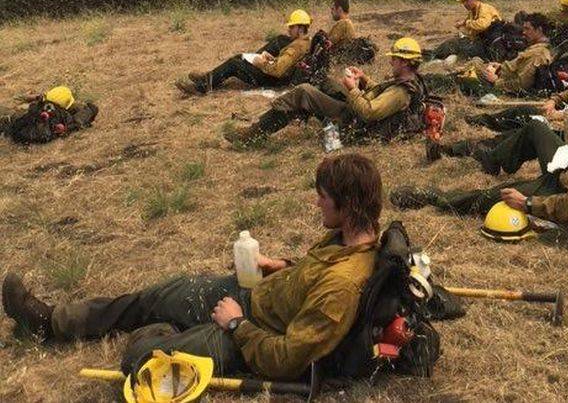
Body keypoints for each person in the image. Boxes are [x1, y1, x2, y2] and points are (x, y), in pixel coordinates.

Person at [2, 153, 380, 381]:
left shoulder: (341, 289)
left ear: (347, 207)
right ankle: (52, 321)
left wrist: (236, 324)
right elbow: (314, 273)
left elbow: (287, 358)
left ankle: (172, 331)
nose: (317, 204)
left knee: (138, 362)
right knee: (159, 294)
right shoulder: (345, 239)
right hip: (250, 298)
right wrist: (281, 266)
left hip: (250, 334)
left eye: (324, 198)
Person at [392, 78, 568, 226]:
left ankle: (432, 198)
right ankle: (485, 156)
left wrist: (527, 204)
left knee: (487, 197)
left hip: (558, 185)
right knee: (536, 128)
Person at [429, 35, 568, 169]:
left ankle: (470, 151)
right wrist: (554, 99)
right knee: (520, 117)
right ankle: (467, 139)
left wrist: (561, 114)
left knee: (519, 131)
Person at [224, 37, 427, 147]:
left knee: (304, 92)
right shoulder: (407, 80)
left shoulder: (402, 92)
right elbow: (380, 94)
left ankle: (254, 134)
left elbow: (369, 112)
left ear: (405, 62)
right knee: (325, 82)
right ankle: (291, 113)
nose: (391, 61)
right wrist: (364, 79)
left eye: (395, 59)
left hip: (357, 125)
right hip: (358, 114)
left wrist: (353, 89)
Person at [176, 10, 312, 95]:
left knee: (234, 63)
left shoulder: (296, 47)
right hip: (281, 75)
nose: (289, 30)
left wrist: (261, 63)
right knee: (239, 59)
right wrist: (272, 59)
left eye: (292, 27)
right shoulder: (304, 42)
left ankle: (202, 87)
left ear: (300, 28)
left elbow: (277, 71)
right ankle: (208, 78)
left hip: (274, 80)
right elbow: (284, 64)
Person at [476, 13, 552, 95]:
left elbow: (522, 83)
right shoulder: (536, 48)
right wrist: (500, 67)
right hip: (501, 73)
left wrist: (496, 81)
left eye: (527, 29)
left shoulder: (538, 53)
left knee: (474, 65)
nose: (524, 32)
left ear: (539, 30)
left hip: (501, 81)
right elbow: (518, 66)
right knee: (475, 62)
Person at [0, 85, 98, 146]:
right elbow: (92, 108)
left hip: (17, 128)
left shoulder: (36, 107)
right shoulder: (68, 118)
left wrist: (38, 98)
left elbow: (17, 99)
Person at [429, 0, 501, 61]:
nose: (464, 4)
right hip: (482, 42)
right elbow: (470, 25)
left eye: (466, 0)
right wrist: (463, 24)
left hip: (490, 46)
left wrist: (466, 23)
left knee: (463, 49)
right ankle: (433, 55)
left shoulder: (485, 9)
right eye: (462, 1)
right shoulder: (472, 11)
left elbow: (483, 24)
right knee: (452, 43)